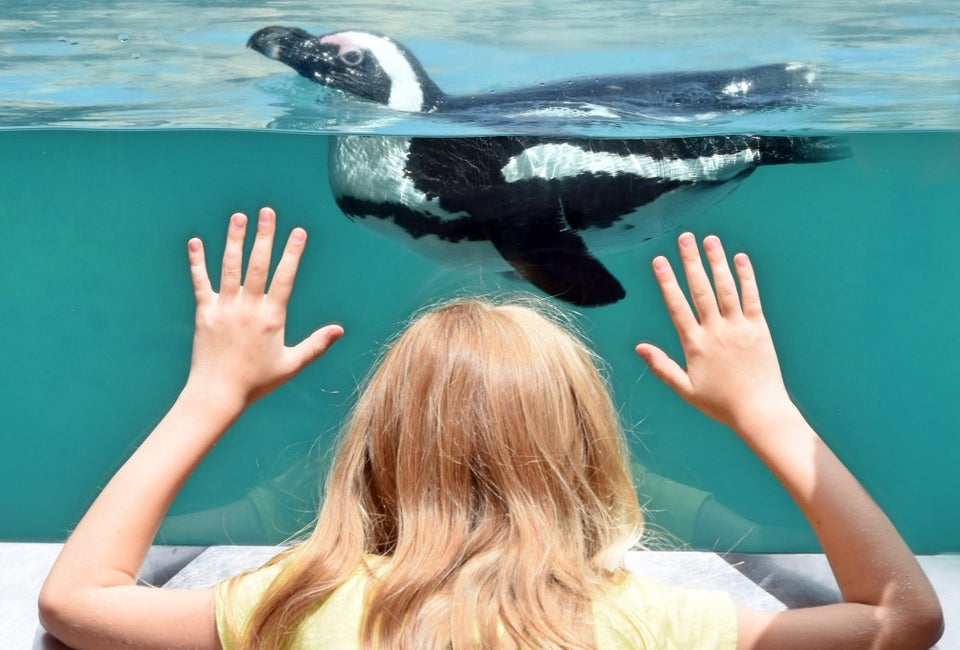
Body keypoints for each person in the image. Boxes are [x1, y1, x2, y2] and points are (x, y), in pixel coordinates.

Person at [39, 207, 943, 649]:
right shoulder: (646, 623)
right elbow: (903, 619)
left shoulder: (302, 606)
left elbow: (75, 600)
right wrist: (767, 409)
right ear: (589, 455)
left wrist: (212, 392)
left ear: (372, 453)